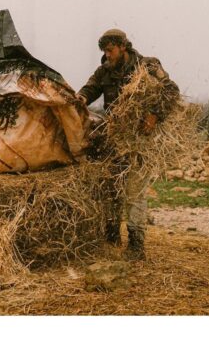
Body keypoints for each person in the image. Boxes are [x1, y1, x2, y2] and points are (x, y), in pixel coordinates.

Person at [76, 28, 180, 260]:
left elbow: (171, 91)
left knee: (134, 192)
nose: (107, 54)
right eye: (103, 50)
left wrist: (154, 115)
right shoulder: (104, 71)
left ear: (123, 46)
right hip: (114, 140)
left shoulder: (148, 66)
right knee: (111, 190)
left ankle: (136, 246)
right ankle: (111, 238)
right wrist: (80, 98)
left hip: (139, 141)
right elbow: (90, 88)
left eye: (110, 49)